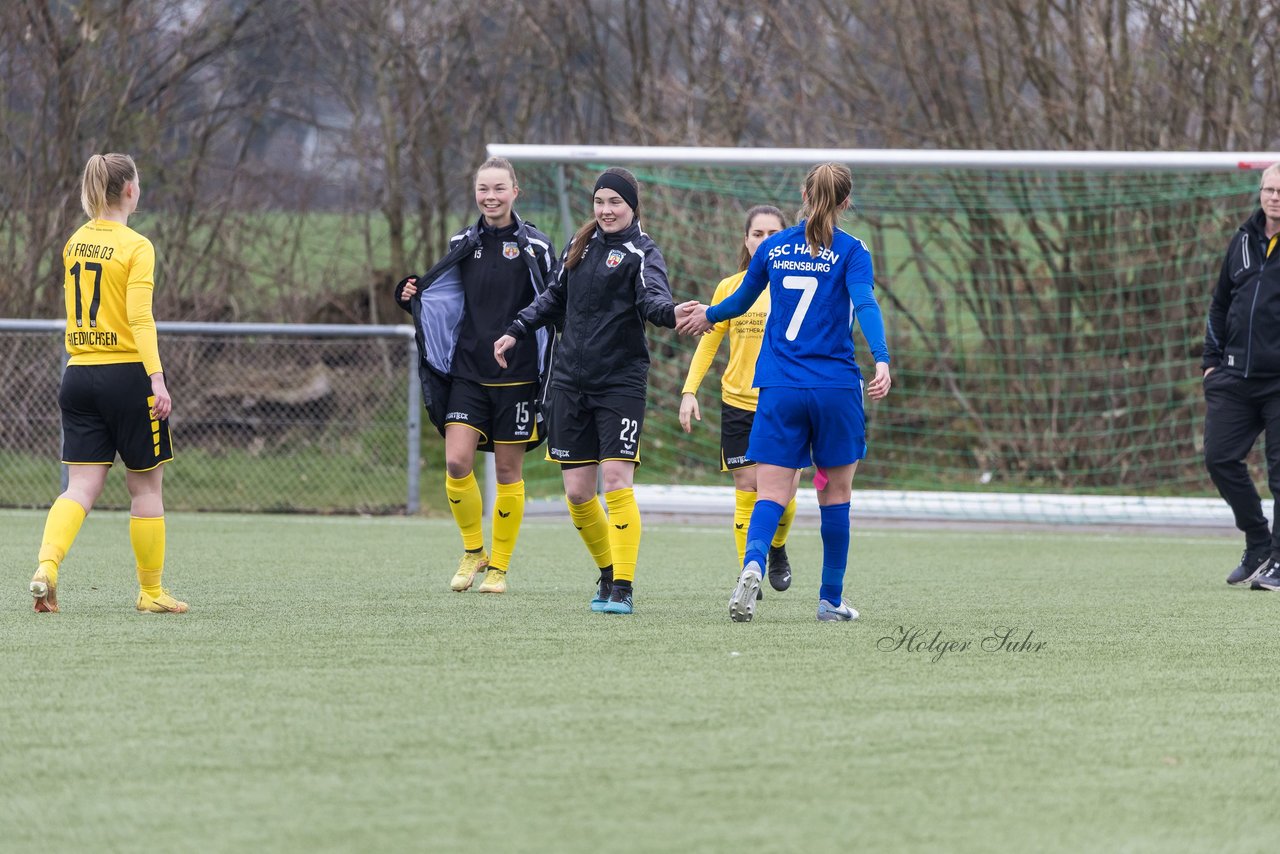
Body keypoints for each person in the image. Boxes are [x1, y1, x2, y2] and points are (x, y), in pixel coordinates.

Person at [676, 162, 892, 622]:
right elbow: (866, 303)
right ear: (846, 201)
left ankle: (753, 562)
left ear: (803, 193)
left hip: (779, 387)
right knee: (835, 493)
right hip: (834, 386)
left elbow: (739, 302)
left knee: (770, 492)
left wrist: (708, 315)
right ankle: (830, 600)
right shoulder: (853, 250)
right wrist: (882, 358)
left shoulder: (774, 246)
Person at [494, 167, 676, 615]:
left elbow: (654, 300)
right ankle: (608, 571)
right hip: (569, 383)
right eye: (600, 202)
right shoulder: (580, 245)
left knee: (615, 480)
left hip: (620, 383)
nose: (606, 210)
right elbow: (553, 297)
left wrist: (675, 314)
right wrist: (516, 329)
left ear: (632, 206)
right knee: (577, 493)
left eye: (615, 202)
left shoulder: (642, 251)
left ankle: (625, 587)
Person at [29, 153, 184, 614]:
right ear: (130, 190)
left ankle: (47, 568)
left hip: (77, 374)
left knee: (79, 487)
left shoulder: (75, 242)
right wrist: (156, 380)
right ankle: (151, 592)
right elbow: (139, 317)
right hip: (125, 375)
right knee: (146, 488)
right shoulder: (137, 245)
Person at [396, 156, 557, 594]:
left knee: (508, 473)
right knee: (456, 461)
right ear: (475, 193)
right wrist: (409, 293)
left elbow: (555, 302)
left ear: (515, 192)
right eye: (483, 189)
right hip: (468, 372)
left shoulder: (537, 246)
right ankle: (473, 550)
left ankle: (500, 567)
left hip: (519, 377)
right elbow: (441, 293)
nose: (491, 197)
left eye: (499, 188)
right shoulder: (461, 241)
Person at [679, 205, 800, 592]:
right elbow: (708, 341)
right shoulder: (730, 288)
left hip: (783, 401)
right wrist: (689, 391)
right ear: (746, 241)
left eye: (771, 234)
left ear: (784, 238)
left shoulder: (795, 283)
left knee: (784, 493)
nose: (764, 241)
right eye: (756, 234)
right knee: (747, 487)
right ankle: (749, 575)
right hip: (737, 404)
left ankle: (776, 546)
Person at [1202, 162, 1280, 591]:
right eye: (1269, 188)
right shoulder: (1242, 241)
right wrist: (1211, 362)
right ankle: (1258, 543)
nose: (1274, 197)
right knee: (1218, 458)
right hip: (1233, 377)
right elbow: (1219, 304)